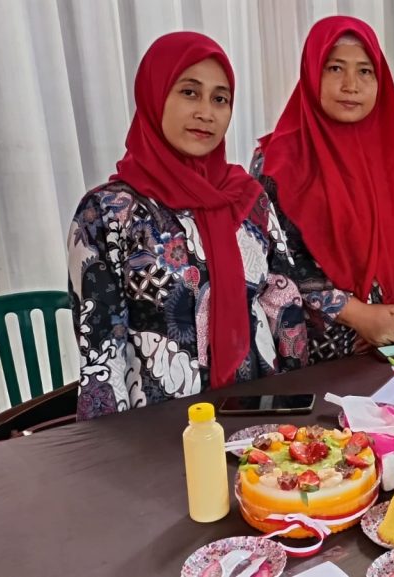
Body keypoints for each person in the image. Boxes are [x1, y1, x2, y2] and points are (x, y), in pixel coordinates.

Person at [67, 32, 308, 420]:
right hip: (159, 431)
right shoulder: (110, 213)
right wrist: (112, 458)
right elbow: (102, 351)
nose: (206, 113)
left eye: (220, 99)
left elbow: (284, 302)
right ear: (154, 95)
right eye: (189, 93)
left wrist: (297, 404)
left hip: (258, 417)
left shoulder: (247, 198)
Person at [251, 16, 394, 363]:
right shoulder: (276, 162)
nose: (351, 85)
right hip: (323, 355)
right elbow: (277, 259)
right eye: (335, 68)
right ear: (312, 73)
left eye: (364, 71)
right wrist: (358, 315)